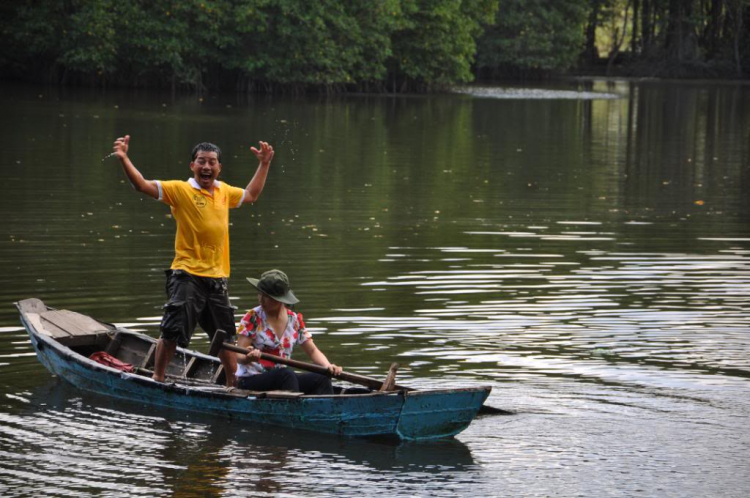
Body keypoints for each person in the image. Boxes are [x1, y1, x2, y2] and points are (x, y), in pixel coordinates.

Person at [111, 135, 274, 387]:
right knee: (173, 329)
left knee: (226, 336)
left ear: (219, 168)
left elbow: (251, 194)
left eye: (212, 162)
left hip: (217, 278)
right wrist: (124, 158)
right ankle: (158, 378)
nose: (206, 167)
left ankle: (233, 386)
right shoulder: (180, 190)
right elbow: (142, 185)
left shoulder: (224, 192)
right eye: (201, 161)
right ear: (192, 166)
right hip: (186, 275)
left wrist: (264, 164)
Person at [235, 269, 342, 394]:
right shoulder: (253, 317)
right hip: (251, 380)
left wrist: (328, 366)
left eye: (267, 297)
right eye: (260, 294)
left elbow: (312, 350)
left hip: (282, 379)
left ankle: (327, 412)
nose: (261, 300)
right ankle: (294, 412)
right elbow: (238, 356)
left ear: (279, 299)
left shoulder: (294, 320)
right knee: (287, 374)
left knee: (322, 378)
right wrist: (249, 358)